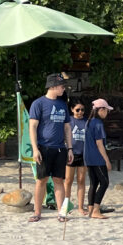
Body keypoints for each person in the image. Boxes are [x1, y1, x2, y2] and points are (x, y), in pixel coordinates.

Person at [28, 73, 74, 223]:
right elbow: (32, 127)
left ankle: (61, 213)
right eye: (61, 86)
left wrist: (70, 148)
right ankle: (37, 212)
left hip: (60, 148)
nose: (63, 89)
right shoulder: (38, 103)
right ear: (53, 86)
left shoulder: (62, 104)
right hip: (44, 147)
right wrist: (35, 149)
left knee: (59, 180)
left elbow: (67, 128)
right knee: (41, 180)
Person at [84, 99, 113, 219]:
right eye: (106, 110)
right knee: (104, 182)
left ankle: (91, 209)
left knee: (93, 183)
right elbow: (99, 144)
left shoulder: (89, 122)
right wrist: (107, 160)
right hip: (97, 158)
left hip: (88, 157)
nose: (107, 113)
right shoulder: (98, 123)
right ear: (101, 110)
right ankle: (96, 210)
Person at [64, 98, 88, 215]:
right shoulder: (69, 121)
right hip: (71, 153)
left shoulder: (87, 122)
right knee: (68, 180)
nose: (80, 112)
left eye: (82, 110)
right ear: (72, 109)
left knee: (81, 180)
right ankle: (66, 205)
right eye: (77, 110)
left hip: (83, 154)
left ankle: (80, 207)